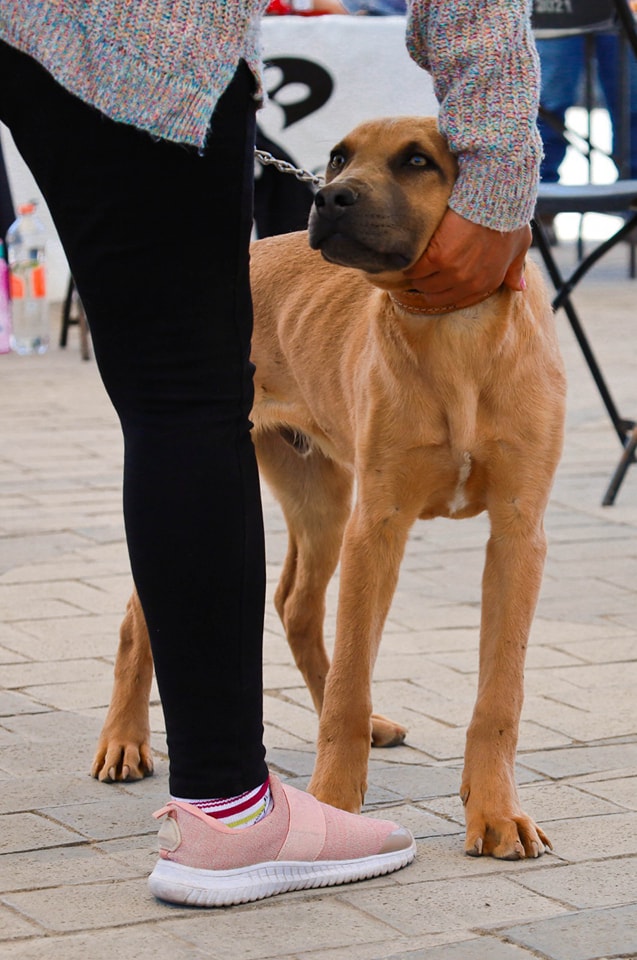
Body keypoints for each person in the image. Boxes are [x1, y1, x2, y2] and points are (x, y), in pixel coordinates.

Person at [0, 0, 539, 908]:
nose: (338, 189)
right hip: (149, 63)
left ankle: (303, 761)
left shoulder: (532, 376)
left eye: (408, 165)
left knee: (187, 434)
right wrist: (503, 167)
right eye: (335, 168)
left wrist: (493, 186)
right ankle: (182, 745)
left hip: (51, 37)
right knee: (189, 428)